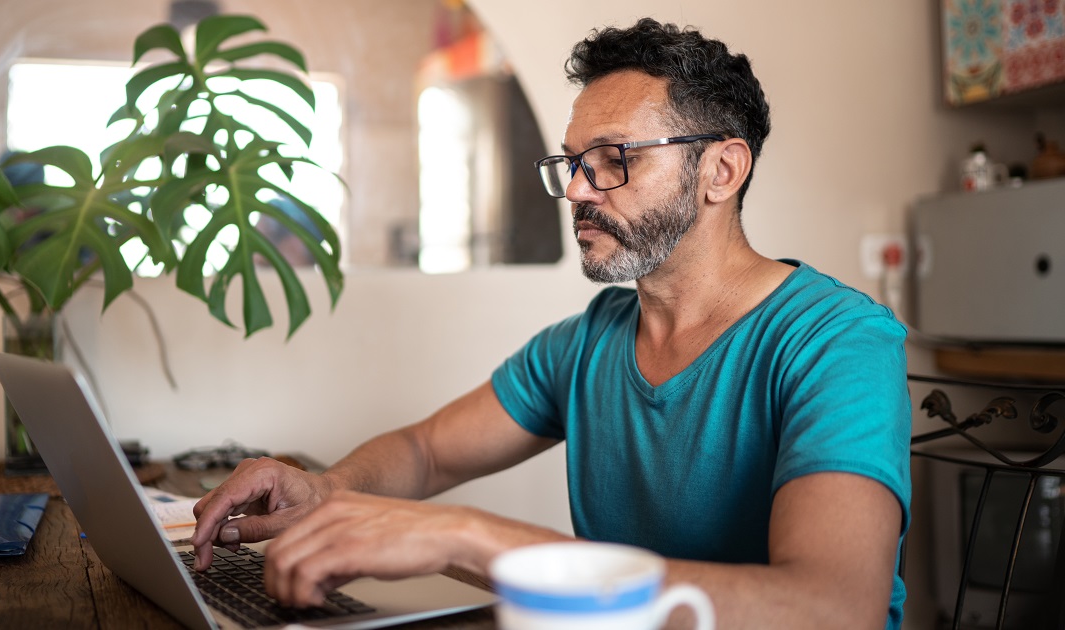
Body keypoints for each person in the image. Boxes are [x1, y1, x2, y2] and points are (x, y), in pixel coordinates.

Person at [191, 18, 911, 630]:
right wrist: (327, 488)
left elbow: (833, 607)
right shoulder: (592, 339)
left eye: (611, 160)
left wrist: (465, 535)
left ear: (721, 171)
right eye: (571, 163)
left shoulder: (838, 344)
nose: (574, 189)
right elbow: (427, 451)